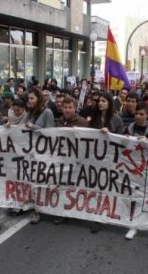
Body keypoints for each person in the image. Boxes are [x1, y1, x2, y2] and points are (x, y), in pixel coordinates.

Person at [123, 102, 148, 240]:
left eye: (141, 114)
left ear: (147, 115)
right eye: (136, 114)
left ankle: (142, 221)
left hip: (147, 169)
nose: (138, 116)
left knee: (144, 196)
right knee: (133, 195)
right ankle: (133, 225)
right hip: (131, 167)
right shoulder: (129, 128)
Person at [89, 92, 123, 232]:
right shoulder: (94, 118)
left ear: (109, 103)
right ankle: (97, 215)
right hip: (95, 158)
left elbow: (122, 139)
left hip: (110, 159)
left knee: (106, 187)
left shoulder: (116, 119)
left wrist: (109, 133)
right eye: (99, 101)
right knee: (97, 187)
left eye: (103, 101)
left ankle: (106, 212)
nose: (100, 103)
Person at [52, 96, 89, 225]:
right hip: (62, 160)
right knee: (62, 186)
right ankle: (62, 212)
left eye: (70, 107)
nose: (67, 110)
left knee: (75, 187)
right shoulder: (58, 121)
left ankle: (76, 210)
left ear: (75, 108)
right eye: (65, 107)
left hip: (76, 161)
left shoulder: (83, 122)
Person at [26, 88, 54, 223]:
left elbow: (50, 133)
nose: (29, 101)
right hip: (30, 151)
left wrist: (33, 127)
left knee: (39, 181)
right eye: (28, 99)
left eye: (32, 99)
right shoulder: (31, 112)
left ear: (38, 99)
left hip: (42, 152)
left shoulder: (47, 112)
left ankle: (38, 210)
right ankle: (32, 207)